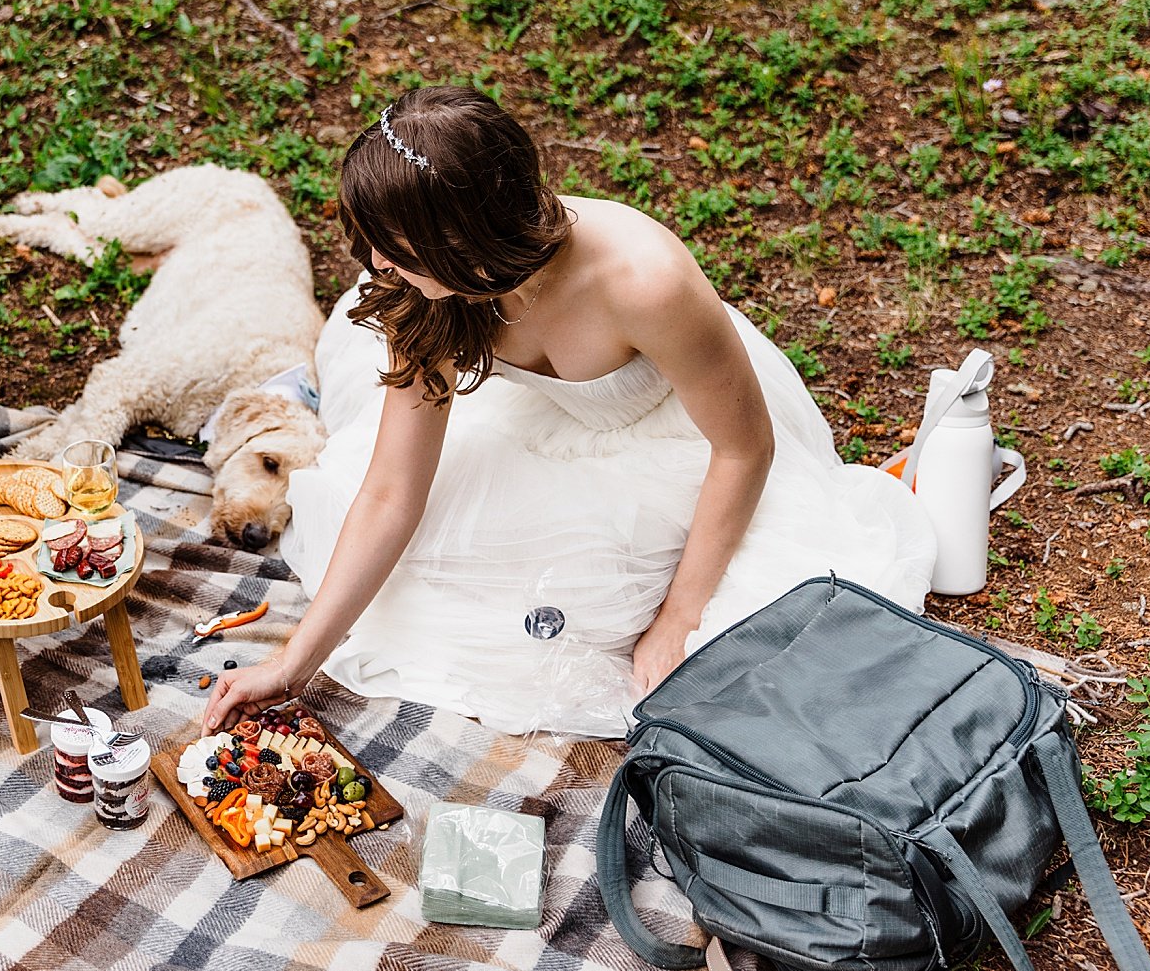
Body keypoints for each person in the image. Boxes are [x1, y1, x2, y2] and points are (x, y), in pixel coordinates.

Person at [203, 86, 935, 737]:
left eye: (393, 249)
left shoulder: (644, 280)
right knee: (425, 570)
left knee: (631, 613)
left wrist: (678, 616)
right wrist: (295, 662)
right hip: (542, 428)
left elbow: (745, 448)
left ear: (463, 239)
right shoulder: (421, 297)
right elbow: (393, 492)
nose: (373, 265)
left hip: (685, 437)